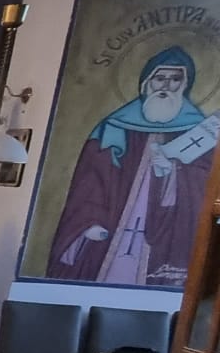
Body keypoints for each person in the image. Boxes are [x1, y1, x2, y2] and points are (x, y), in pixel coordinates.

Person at [48, 46, 215, 286]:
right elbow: (92, 178)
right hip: (114, 222)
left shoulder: (197, 129)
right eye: (160, 78)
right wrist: (89, 223)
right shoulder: (116, 125)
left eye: (175, 79)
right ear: (147, 82)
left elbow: (206, 186)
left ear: (185, 84)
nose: (166, 86)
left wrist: (173, 172)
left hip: (166, 234)